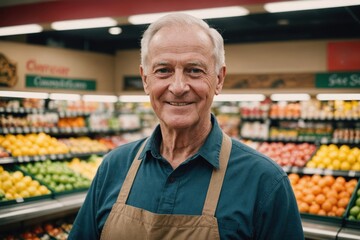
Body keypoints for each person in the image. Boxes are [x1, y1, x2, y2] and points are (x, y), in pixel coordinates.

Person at [68, 13, 304, 240]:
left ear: (219, 79)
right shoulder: (114, 167)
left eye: (194, 70)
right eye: (163, 71)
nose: (178, 86)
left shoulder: (265, 181)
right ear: (145, 79)